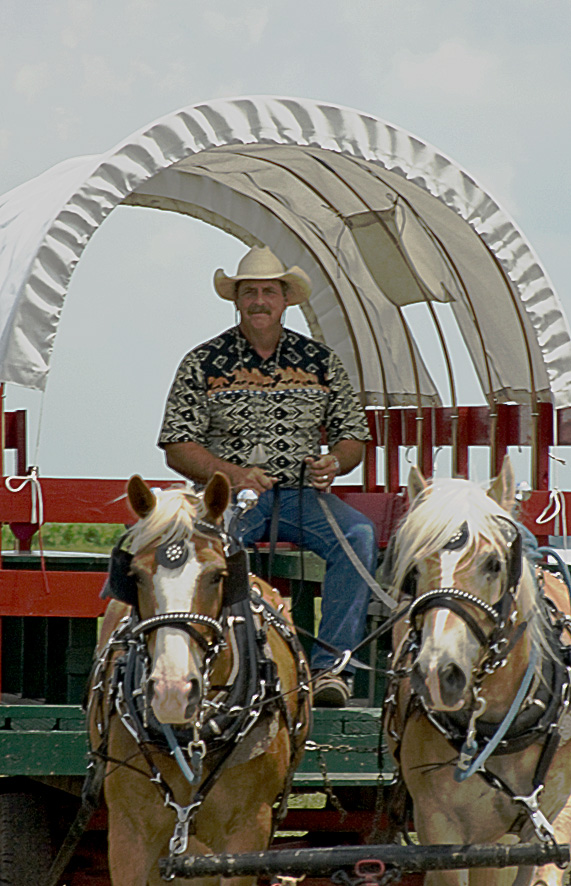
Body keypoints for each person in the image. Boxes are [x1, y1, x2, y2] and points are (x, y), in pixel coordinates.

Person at [158, 245, 377, 707]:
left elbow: (352, 436)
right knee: (208, 553)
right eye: (250, 292)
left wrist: (334, 462)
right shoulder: (203, 362)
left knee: (358, 536)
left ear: (285, 300)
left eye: (269, 292)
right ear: (237, 300)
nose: (260, 300)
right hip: (227, 500)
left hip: (303, 496)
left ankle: (330, 668)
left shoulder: (320, 362)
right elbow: (177, 446)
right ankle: (228, 659)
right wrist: (234, 475)